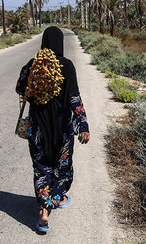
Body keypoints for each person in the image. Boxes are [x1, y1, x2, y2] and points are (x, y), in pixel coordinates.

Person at [15, 26, 90, 233]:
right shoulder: (66, 66)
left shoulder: (33, 65)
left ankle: (44, 213)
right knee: (62, 166)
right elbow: (74, 97)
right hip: (62, 128)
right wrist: (83, 125)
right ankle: (58, 198)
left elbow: (20, 88)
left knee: (41, 168)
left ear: (44, 43)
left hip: (38, 127)